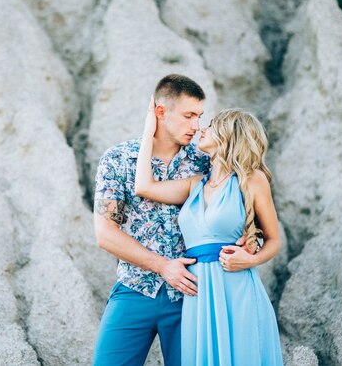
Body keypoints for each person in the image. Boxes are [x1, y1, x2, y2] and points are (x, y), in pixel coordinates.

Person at [92, 74, 256, 366]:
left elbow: (244, 197)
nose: (196, 125)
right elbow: (105, 233)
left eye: (200, 116)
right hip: (135, 288)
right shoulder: (118, 159)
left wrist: (249, 239)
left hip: (193, 295)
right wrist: (162, 266)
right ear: (160, 113)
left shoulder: (206, 159)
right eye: (189, 115)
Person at [134, 97, 284, 365]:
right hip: (198, 294)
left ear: (230, 135)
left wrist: (251, 259)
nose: (202, 128)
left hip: (236, 289)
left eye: (212, 125)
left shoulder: (251, 179)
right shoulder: (195, 185)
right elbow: (144, 186)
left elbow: (273, 240)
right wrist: (149, 131)